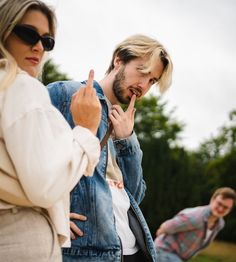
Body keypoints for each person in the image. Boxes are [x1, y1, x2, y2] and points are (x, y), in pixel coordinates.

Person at [48, 34, 173, 262]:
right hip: (87, 250)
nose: (143, 86)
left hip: (132, 249)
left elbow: (134, 195)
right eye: (142, 72)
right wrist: (46, 214)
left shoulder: (123, 123)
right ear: (118, 60)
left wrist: (128, 140)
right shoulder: (66, 94)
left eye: (152, 81)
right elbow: (22, 159)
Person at [0, 0, 101, 261]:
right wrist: (86, 129)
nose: (38, 47)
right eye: (27, 34)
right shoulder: (20, 86)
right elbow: (44, 186)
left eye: (47, 41)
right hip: (21, 235)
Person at [154, 187, 236, 262]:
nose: (221, 208)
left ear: (230, 209)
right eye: (219, 203)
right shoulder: (196, 217)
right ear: (212, 199)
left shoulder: (220, 224)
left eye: (225, 207)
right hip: (164, 251)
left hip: (178, 257)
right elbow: (165, 227)